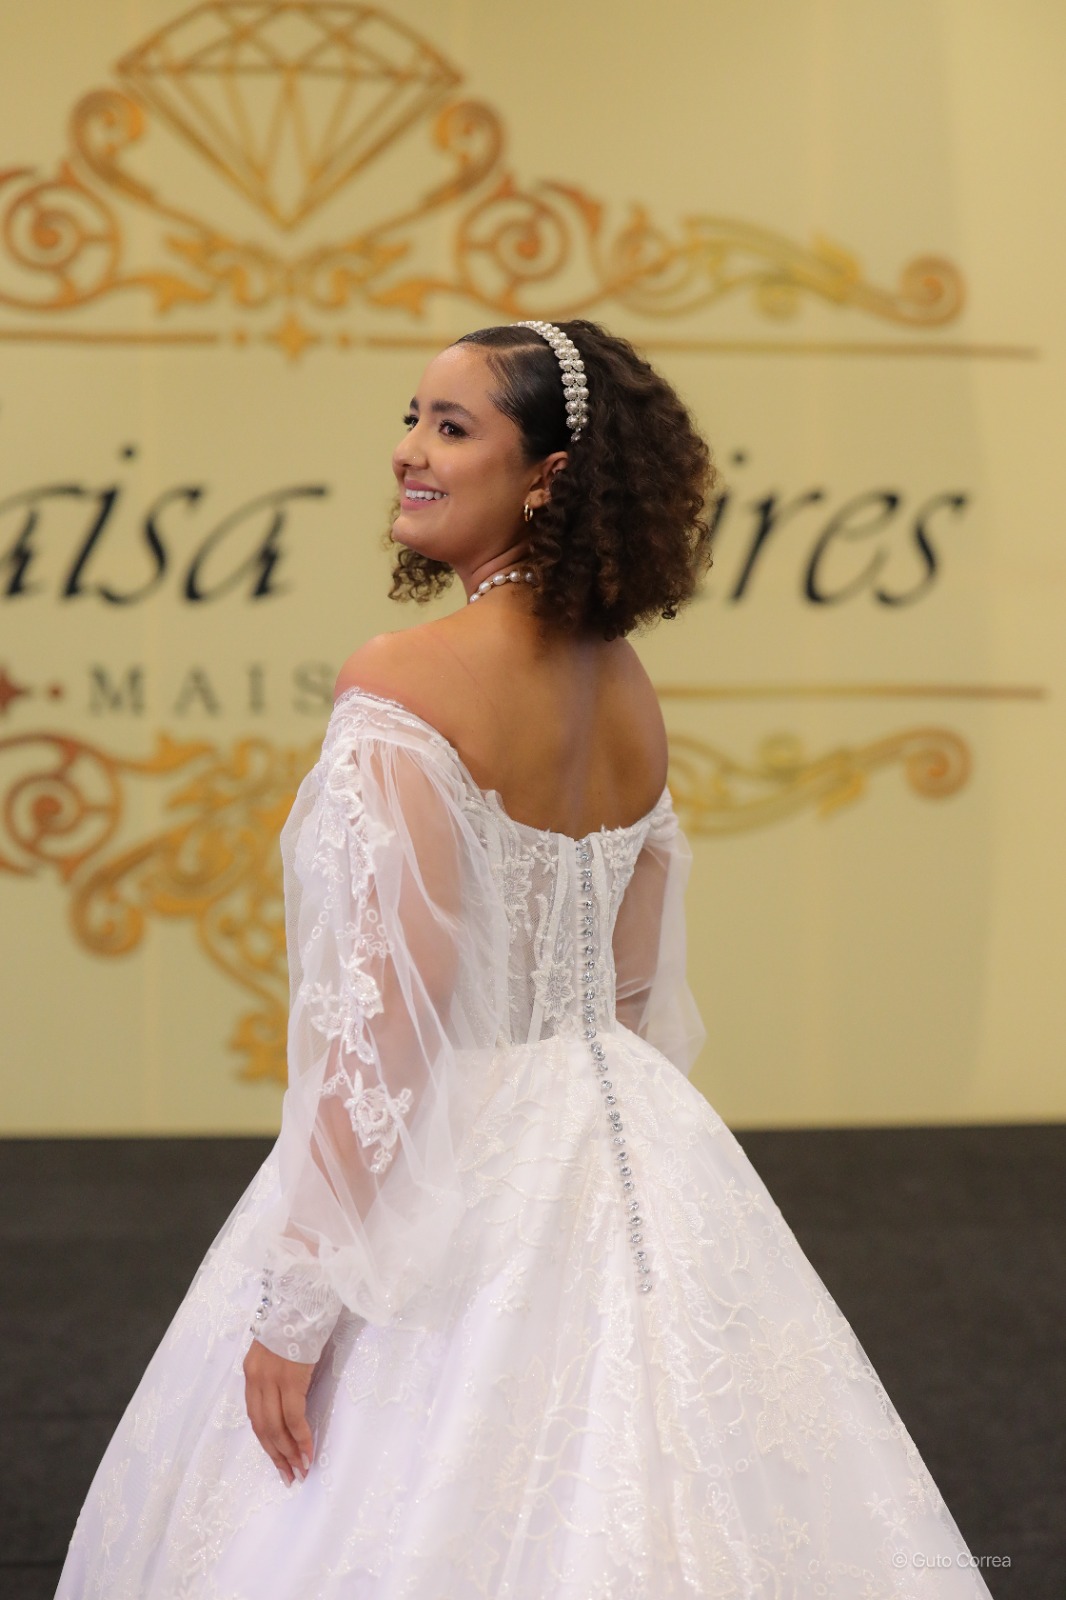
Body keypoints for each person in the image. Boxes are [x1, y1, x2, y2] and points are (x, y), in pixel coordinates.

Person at [56, 320, 994, 1599]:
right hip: (629, 1146)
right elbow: (630, 990)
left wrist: (298, 1306)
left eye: (452, 427)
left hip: (462, 1161)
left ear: (546, 477)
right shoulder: (627, 686)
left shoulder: (404, 679)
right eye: (410, 417)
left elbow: (388, 1023)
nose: (409, 450)